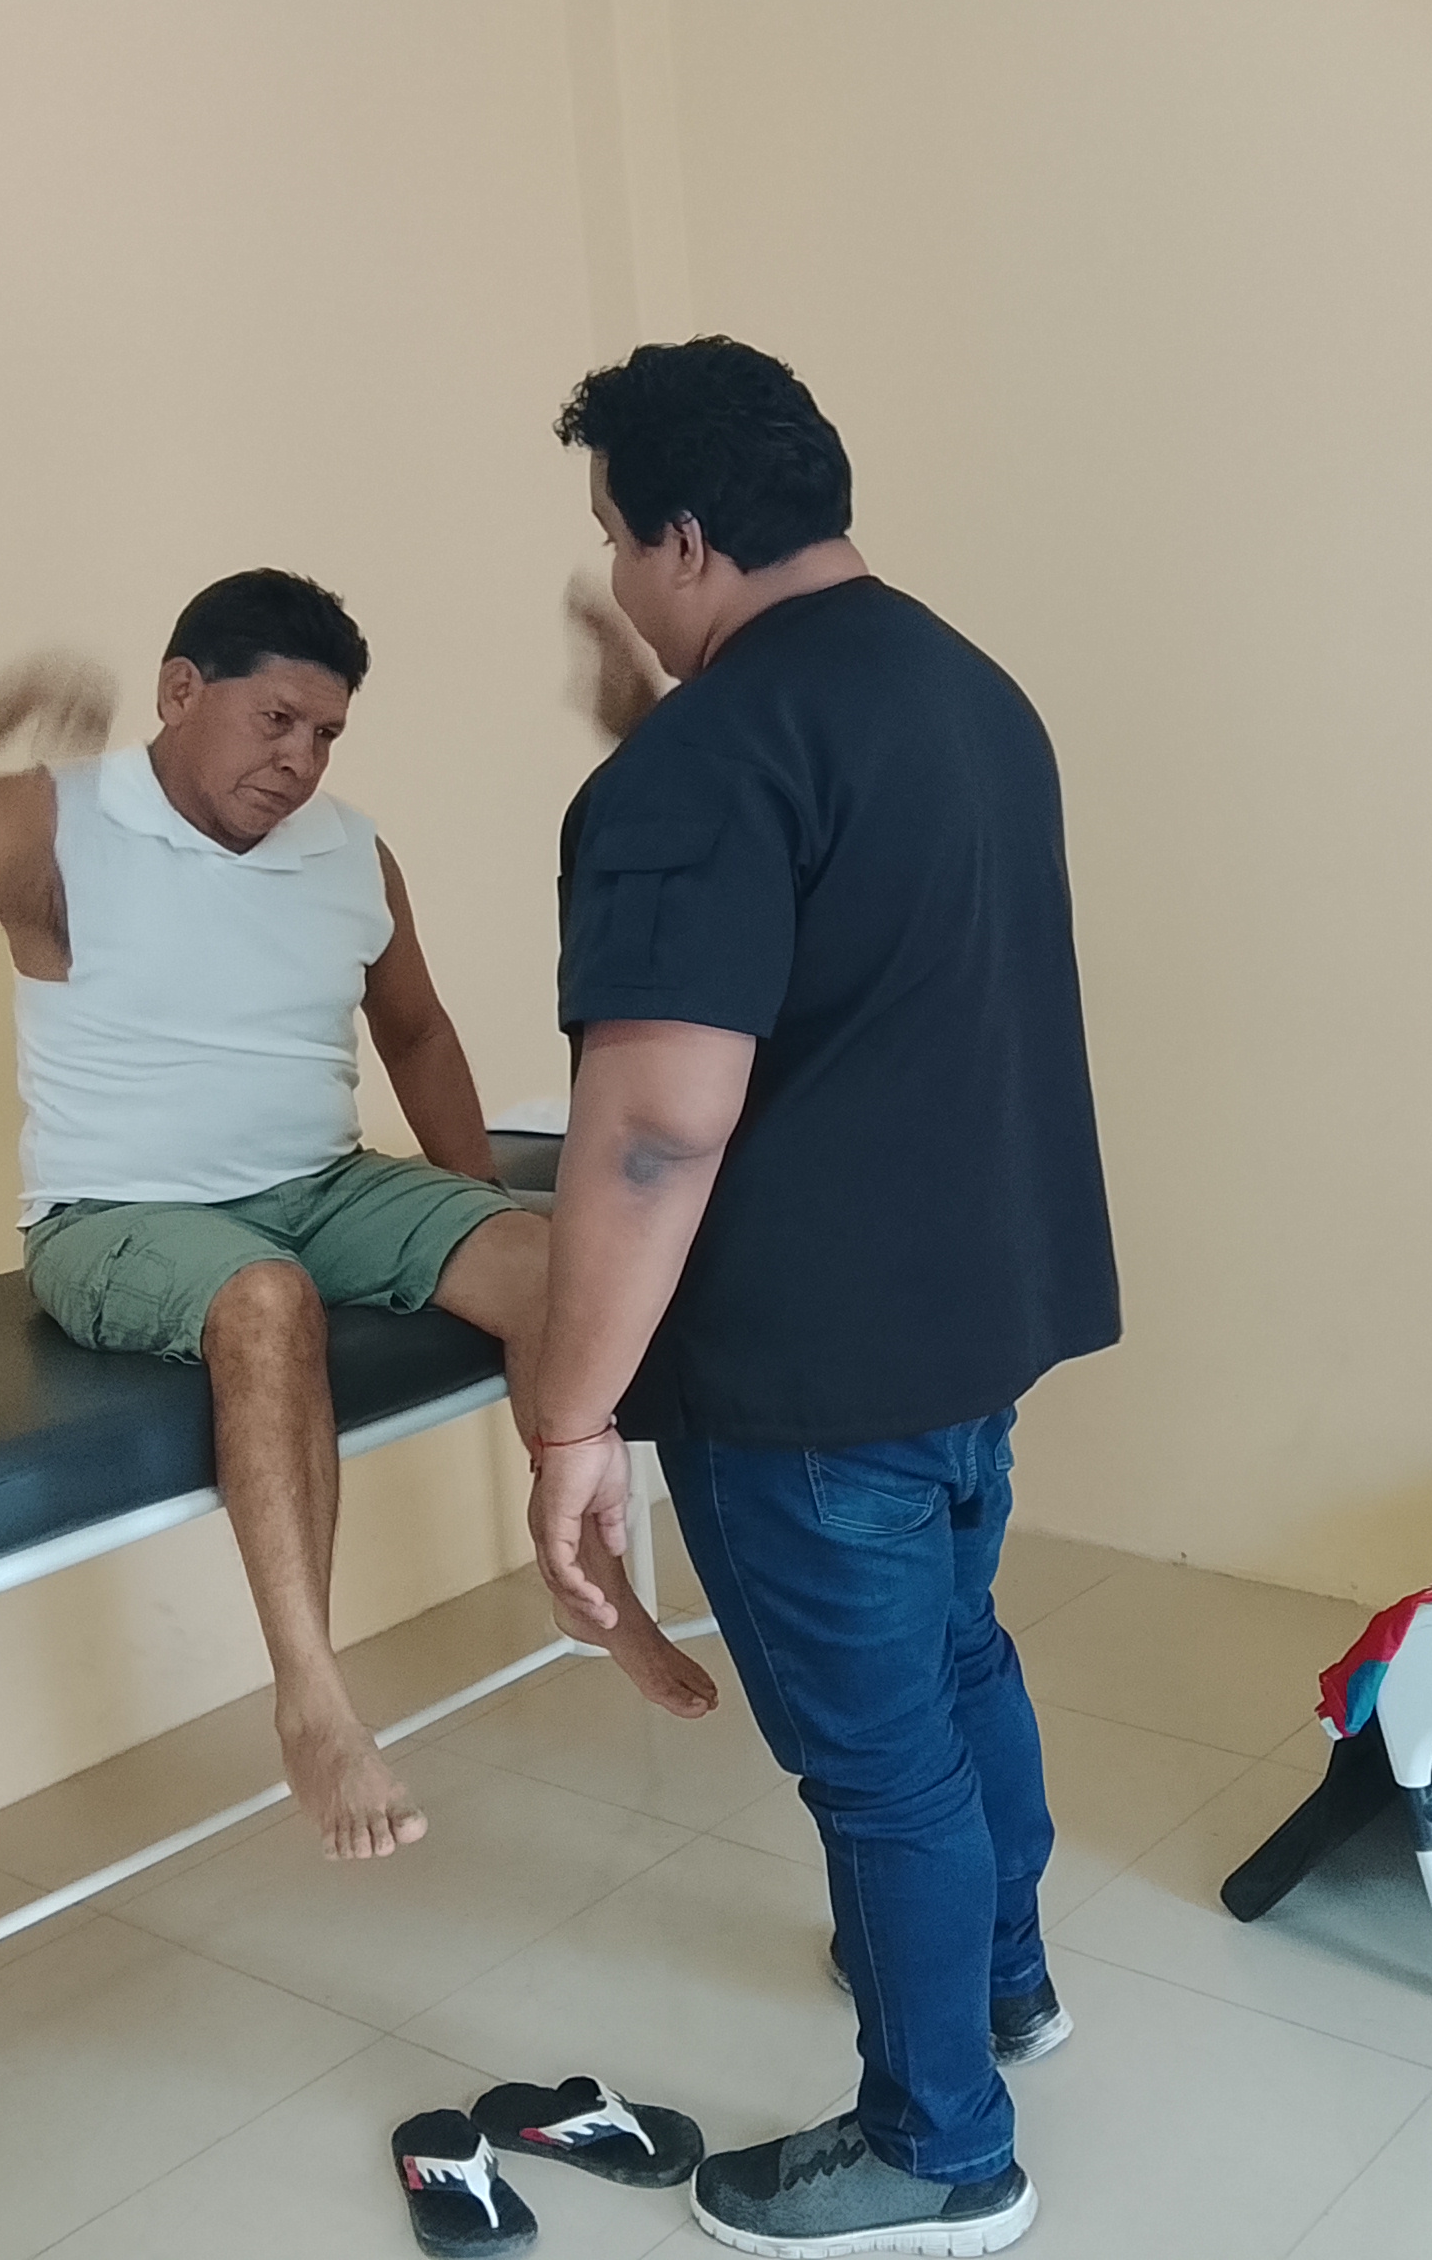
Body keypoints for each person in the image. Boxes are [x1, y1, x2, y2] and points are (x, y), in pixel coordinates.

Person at [0, 568, 714, 1861]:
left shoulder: (352, 852)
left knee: (562, 1263)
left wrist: (470, 1200)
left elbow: (417, 1032)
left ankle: (583, 1576)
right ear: (181, 692)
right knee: (263, 1302)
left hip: (324, 1184)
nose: (300, 759)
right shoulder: (59, 823)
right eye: (274, 720)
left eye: (325, 733)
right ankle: (312, 1698)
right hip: (118, 1211)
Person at [520, 339, 1118, 2259]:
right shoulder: (965, 690)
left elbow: (647, 1132)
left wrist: (567, 1416)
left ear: (685, 537)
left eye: (618, 538)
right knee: (957, 1665)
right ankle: (1004, 1977)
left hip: (806, 1374)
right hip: (967, 1319)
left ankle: (942, 2152)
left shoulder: (703, 760)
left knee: (877, 1764)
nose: (620, 579)